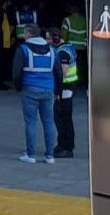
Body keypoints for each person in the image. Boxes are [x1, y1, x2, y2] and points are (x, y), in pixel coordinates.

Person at [14, 25, 58, 164]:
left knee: (30, 122)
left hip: (30, 89)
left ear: (28, 34)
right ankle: (50, 156)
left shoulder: (23, 49)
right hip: (48, 90)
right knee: (49, 122)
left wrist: (19, 87)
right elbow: (58, 73)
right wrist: (56, 90)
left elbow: (16, 71)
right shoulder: (52, 51)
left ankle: (31, 155)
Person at [51, 26, 78, 159]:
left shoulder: (62, 53)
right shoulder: (68, 47)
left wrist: (55, 89)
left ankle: (67, 147)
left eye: (49, 38)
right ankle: (62, 144)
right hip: (68, 87)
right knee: (61, 117)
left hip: (64, 87)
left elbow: (62, 71)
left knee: (63, 117)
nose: (47, 41)